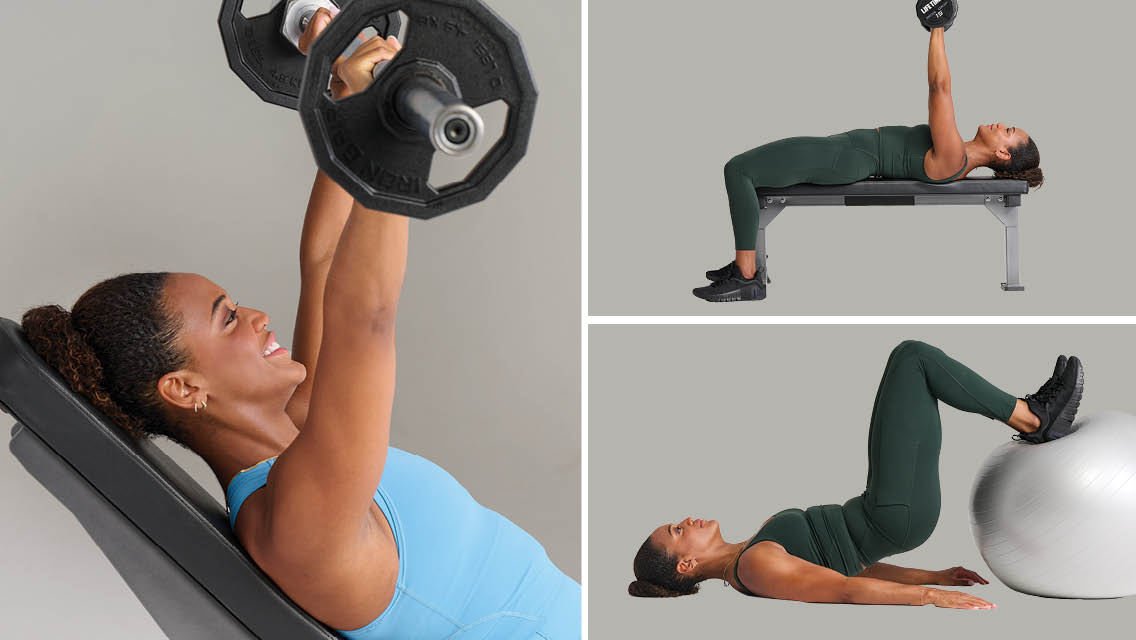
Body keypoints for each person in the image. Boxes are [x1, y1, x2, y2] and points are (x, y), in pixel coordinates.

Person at [19, 10, 579, 639]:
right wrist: (386, 136)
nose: (256, 317)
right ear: (183, 387)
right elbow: (365, 319)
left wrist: (339, 87)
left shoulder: (299, 435)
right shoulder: (297, 524)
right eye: (227, 318)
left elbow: (322, 257)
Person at [628, 341, 1083, 610]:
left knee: (913, 369)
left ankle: (1033, 415)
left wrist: (935, 576)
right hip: (893, 511)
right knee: (913, 359)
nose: (685, 520)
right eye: (676, 530)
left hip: (889, 507)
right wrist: (929, 599)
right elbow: (843, 589)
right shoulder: (752, 566)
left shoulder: (751, 551)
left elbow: (852, 564)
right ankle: (1034, 418)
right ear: (685, 564)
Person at [695, 26, 1044, 303]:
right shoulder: (958, 152)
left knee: (739, 170)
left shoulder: (956, 156)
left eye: (1008, 131)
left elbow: (939, 87)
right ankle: (745, 265)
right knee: (744, 170)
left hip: (844, 159)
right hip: (842, 152)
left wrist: (937, 29)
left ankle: (746, 275)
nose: (1001, 124)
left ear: (1003, 155)